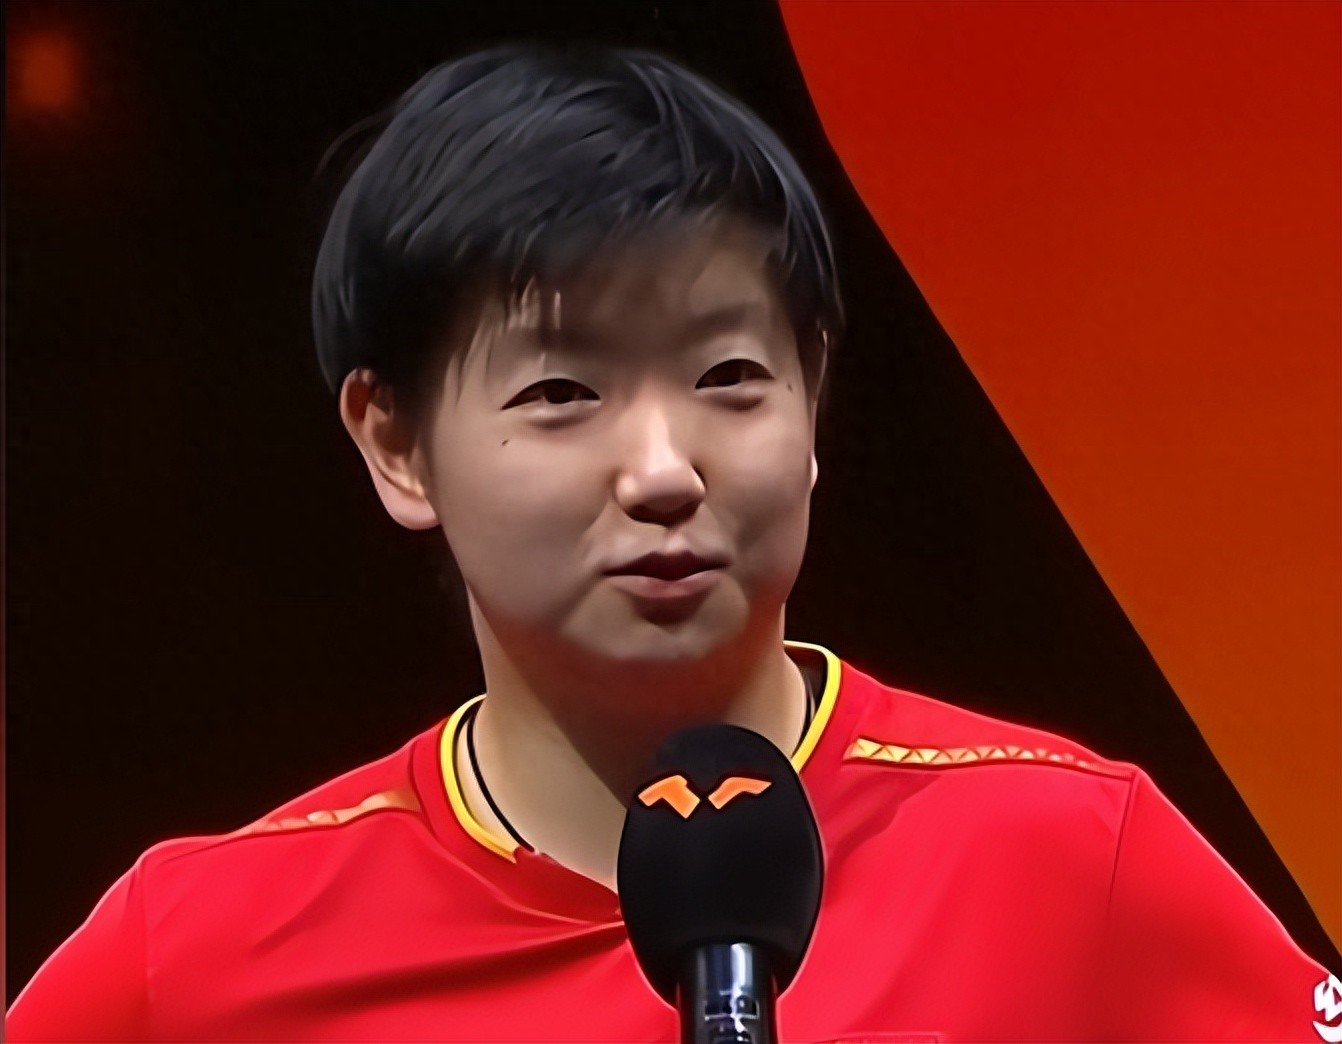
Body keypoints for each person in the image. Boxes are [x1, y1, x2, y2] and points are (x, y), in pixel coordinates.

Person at [7, 44, 1333, 1043]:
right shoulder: (195, 952)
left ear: (813, 399)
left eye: (729, 377)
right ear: (395, 443)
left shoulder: (1069, 855)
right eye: (561, 392)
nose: (660, 470)